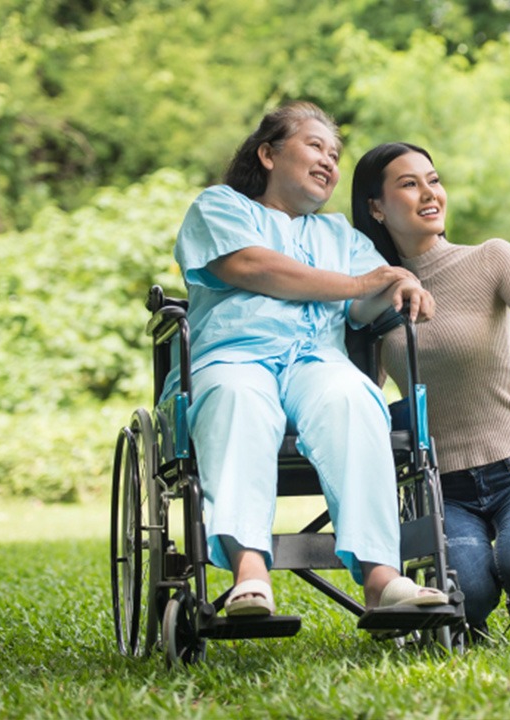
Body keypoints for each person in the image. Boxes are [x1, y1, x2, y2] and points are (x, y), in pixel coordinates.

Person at [162, 104, 449, 619]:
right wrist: (364, 282)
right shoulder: (220, 207)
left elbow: (373, 296)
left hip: (315, 363)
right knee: (237, 398)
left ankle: (382, 576)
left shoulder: (340, 237)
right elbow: (250, 265)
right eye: (315, 146)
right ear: (268, 153)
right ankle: (250, 572)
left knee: (353, 397)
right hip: (233, 358)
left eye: (335, 154)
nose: (329, 161)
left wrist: (401, 282)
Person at [351, 142, 510, 642]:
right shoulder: (373, 294)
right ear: (375, 207)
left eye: (433, 180)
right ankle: (475, 611)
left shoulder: (490, 258)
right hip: (443, 487)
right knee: (470, 596)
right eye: (409, 184)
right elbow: (364, 395)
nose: (429, 193)